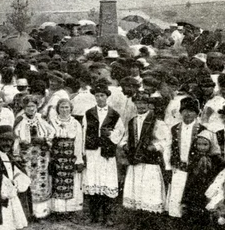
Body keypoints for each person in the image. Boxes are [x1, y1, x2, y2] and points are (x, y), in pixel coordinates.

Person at [121, 92, 170, 229]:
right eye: (138, 102)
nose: (140, 105)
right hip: (135, 161)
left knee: (149, 191)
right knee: (137, 191)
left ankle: (150, 222)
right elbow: (125, 138)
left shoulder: (157, 121)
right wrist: (125, 145)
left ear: (148, 104)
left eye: (143, 102)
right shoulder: (132, 121)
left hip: (149, 161)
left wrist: (154, 147)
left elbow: (165, 140)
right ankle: (139, 221)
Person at [82, 80, 125, 227]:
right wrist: (84, 150)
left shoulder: (114, 114)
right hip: (93, 152)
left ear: (107, 97)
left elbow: (121, 131)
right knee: (93, 182)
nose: (100, 98)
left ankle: (107, 216)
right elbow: (83, 132)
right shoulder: (88, 113)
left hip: (106, 153)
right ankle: (93, 216)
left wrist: (111, 134)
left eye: (102, 95)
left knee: (106, 183)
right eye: (97, 95)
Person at [13, 95, 55, 221]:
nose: (31, 109)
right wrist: (21, 143)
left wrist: (45, 140)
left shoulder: (41, 118)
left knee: (42, 182)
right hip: (27, 156)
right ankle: (30, 212)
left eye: (33, 106)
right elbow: (15, 137)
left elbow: (51, 132)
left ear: (37, 107)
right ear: (24, 107)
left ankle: (42, 212)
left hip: (41, 156)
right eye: (28, 106)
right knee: (29, 182)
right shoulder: (20, 119)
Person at [166, 97, 208, 219]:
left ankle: (191, 218)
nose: (188, 114)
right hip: (179, 166)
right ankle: (175, 217)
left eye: (192, 111)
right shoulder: (175, 129)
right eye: (185, 110)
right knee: (177, 193)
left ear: (197, 113)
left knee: (193, 193)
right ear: (181, 112)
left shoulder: (202, 129)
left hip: (194, 168)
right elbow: (169, 147)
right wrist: (169, 165)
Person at [48, 98, 84, 220]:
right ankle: (57, 210)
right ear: (58, 109)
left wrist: (78, 158)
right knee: (56, 182)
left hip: (70, 156)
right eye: (62, 107)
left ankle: (70, 210)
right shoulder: (52, 122)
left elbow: (79, 141)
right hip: (57, 156)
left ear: (71, 109)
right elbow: (49, 139)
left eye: (67, 107)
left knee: (70, 182)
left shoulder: (75, 123)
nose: (64, 110)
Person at [181, 130, 224, 227]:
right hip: (196, 188)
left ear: (211, 145)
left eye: (205, 144)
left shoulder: (217, 160)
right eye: (198, 144)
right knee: (194, 210)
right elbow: (190, 177)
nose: (201, 147)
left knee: (209, 210)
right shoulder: (195, 158)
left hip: (210, 188)